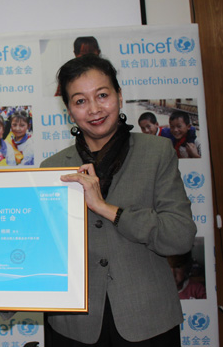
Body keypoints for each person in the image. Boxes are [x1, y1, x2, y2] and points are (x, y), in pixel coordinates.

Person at [41, 54, 196, 346]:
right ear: (69, 111)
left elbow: (179, 237)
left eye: (102, 95)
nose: (95, 109)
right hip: (74, 326)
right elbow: (43, 247)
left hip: (148, 320)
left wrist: (107, 209)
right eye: (80, 101)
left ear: (120, 97)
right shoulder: (53, 169)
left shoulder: (157, 153)